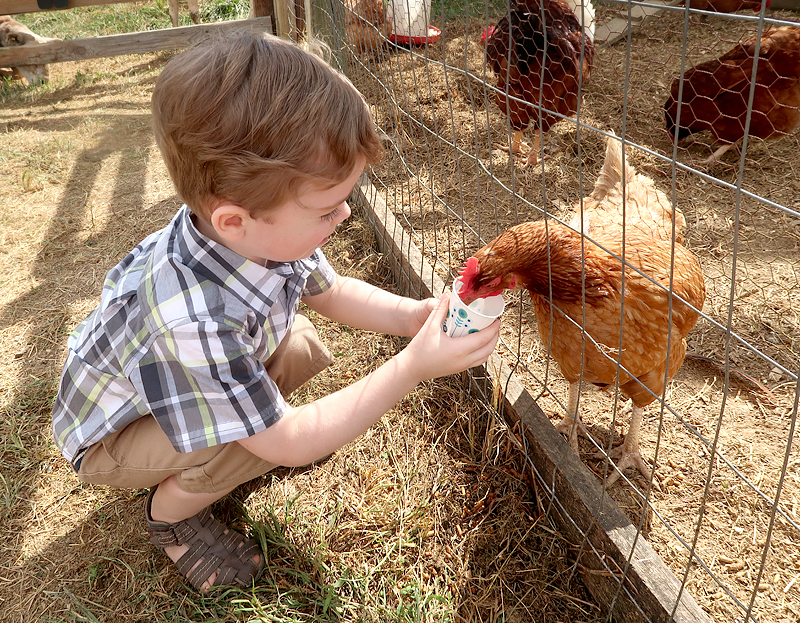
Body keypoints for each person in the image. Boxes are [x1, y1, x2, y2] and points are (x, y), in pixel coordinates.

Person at [52, 31, 499, 593]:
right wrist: (412, 366)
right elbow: (291, 442)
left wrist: (412, 315)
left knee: (304, 345)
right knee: (252, 441)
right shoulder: (196, 316)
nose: (341, 217)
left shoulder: (260, 233)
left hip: (172, 383)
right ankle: (170, 517)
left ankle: (219, 448)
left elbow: (330, 293)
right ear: (234, 220)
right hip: (109, 440)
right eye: (325, 209)